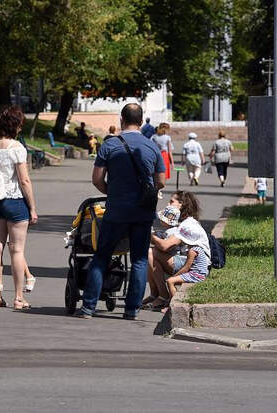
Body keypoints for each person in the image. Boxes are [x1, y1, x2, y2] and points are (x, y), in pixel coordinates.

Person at [77, 103, 166, 320]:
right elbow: (161, 181)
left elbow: (97, 179)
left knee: (102, 256)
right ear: (141, 119)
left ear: (121, 120)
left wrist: (112, 191)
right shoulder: (152, 146)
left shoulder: (110, 145)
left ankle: (88, 307)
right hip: (143, 211)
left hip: (116, 209)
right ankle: (131, 310)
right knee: (139, 260)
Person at [0, 105, 38, 310]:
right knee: (17, 250)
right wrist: (32, 207)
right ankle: (18, 297)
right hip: (14, 201)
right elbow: (24, 180)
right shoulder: (16, 148)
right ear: (16, 126)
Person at [144, 191, 203, 311]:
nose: (168, 203)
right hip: (182, 259)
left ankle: (163, 295)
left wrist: (151, 235)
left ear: (181, 204)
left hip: (190, 263)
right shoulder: (183, 221)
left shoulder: (185, 224)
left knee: (151, 253)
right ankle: (154, 294)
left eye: (172, 201)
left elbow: (166, 246)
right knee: (151, 253)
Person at [165, 222, 211, 298]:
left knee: (170, 281)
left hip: (196, 275)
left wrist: (174, 276)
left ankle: (172, 303)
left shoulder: (192, 251)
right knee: (172, 280)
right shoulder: (197, 248)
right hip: (197, 273)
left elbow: (186, 268)